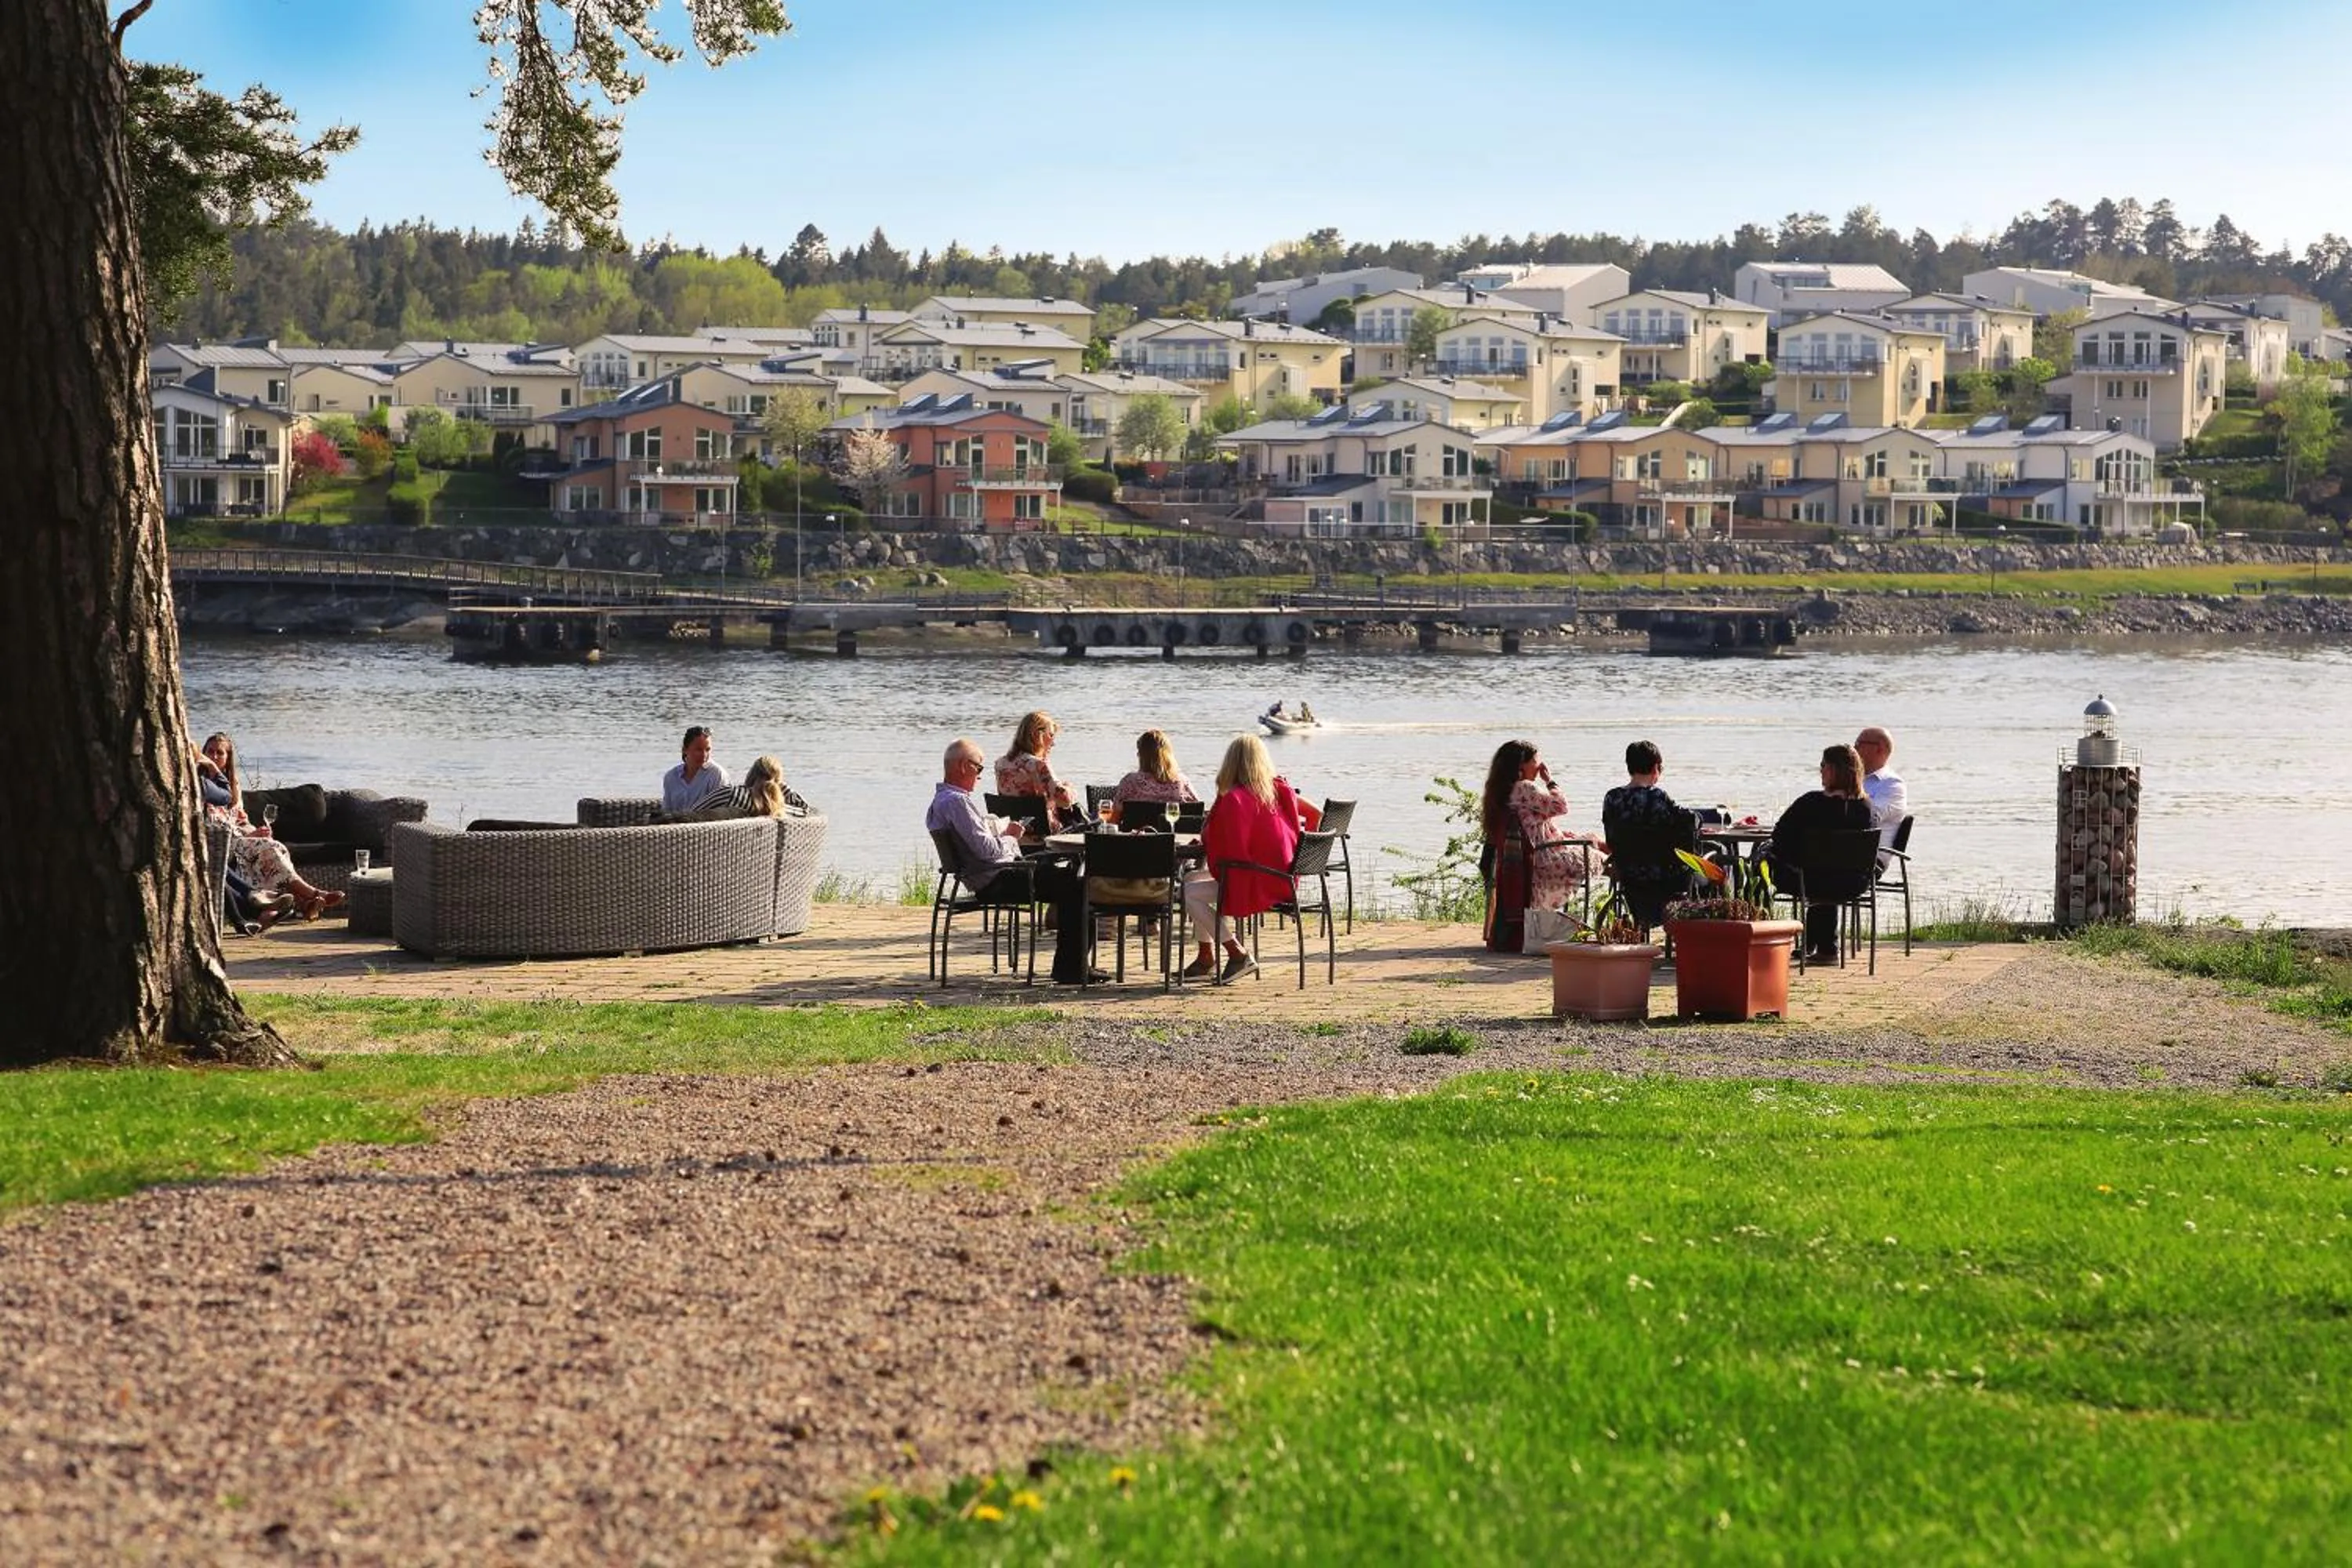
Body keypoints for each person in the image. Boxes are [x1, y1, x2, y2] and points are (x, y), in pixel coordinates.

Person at [930, 737, 1102, 985]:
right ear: (963, 766)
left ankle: (1073, 966)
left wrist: (1000, 833)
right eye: (978, 768)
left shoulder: (942, 800)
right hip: (995, 879)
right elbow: (987, 851)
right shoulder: (958, 802)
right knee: (1077, 883)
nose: (979, 776)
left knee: (1067, 875)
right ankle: (1072, 969)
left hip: (984, 876)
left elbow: (979, 847)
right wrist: (1011, 837)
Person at [1182, 734, 1303, 983]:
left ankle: (1237, 953)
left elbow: (1225, 846)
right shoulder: (1277, 791)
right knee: (1192, 878)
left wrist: (1213, 816)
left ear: (1231, 763)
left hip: (1258, 880)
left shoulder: (1235, 799)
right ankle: (1206, 957)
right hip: (1282, 877)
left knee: (1188, 893)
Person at [196, 732, 346, 920]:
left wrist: (256, 832)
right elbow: (208, 825)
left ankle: (301, 904)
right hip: (219, 843)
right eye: (210, 751)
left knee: (270, 846)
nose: (214, 756)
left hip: (240, 840)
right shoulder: (200, 783)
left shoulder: (232, 786)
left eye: (220, 753)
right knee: (269, 848)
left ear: (228, 758)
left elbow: (241, 820)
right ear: (203, 753)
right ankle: (312, 895)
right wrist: (246, 838)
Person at [1764, 743, 1877, 965]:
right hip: (1853, 882)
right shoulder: (1866, 807)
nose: (1820, 770)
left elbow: (1779, 837)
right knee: (1827, 872)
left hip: (1809, 880)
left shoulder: (1811, 803)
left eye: (1823, 765)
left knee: (1766, 867)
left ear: (1834, 770)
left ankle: (1764, 939)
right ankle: (1823, 946)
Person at [1478, 739, 1595, 953]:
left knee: (1594, 841)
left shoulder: (1503, 791)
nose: (1540, 766)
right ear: (1522, 766)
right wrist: (1550, 780)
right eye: (1536, 761)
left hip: (1535, 852)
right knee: (1602, 853)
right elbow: (1560, 806)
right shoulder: (1525, 788)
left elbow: (1538, 822)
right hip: (1545, 858)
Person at [1601, 739, 1698, 933]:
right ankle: (1695, 932)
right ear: (1656, 767)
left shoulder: (1612, 798)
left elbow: (1611, 838)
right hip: (1664, 878)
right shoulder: (1658, 797)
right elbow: (1688, 823)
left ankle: (1643, 926)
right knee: (1708, 867)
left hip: (1628, 875)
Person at [995, 710, 1083, 831]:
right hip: (1044, 833)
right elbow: (1064, 801)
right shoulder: (1038, 764)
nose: (1053, 743)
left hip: (1012, 831)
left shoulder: (1000, 764)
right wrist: (1070, 789)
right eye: (1051, 735)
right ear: (1037, 735)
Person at [684, 754, 789, 820]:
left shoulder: (730, 794)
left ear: (751, 774)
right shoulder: (782, 810)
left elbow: (692, 815)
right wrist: (780, 786)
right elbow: (805, 810)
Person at [1855, 726, 1908, 853]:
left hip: (1871, 857)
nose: (1854, 749)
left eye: (1859, 744)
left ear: (1879, 748)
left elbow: (1870, 819)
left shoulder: (1892, 785)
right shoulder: (1852, 779)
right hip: (1843, 848)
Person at [1113, 728, 1199, 808]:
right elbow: (1197, 811)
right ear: (1169, 755)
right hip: (1173, 824)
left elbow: (1113, 821)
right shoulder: (1182, 783)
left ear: (1142, 755)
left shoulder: (1130, 782)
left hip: (1138, 824)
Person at [662, 726, 731, 815]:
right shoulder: (671, 777)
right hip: (675, 827)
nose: (704, 755)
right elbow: (667, 811)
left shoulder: (717, 775)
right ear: (685, 750)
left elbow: (720, 813)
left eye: (707, 750)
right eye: (699, 750)